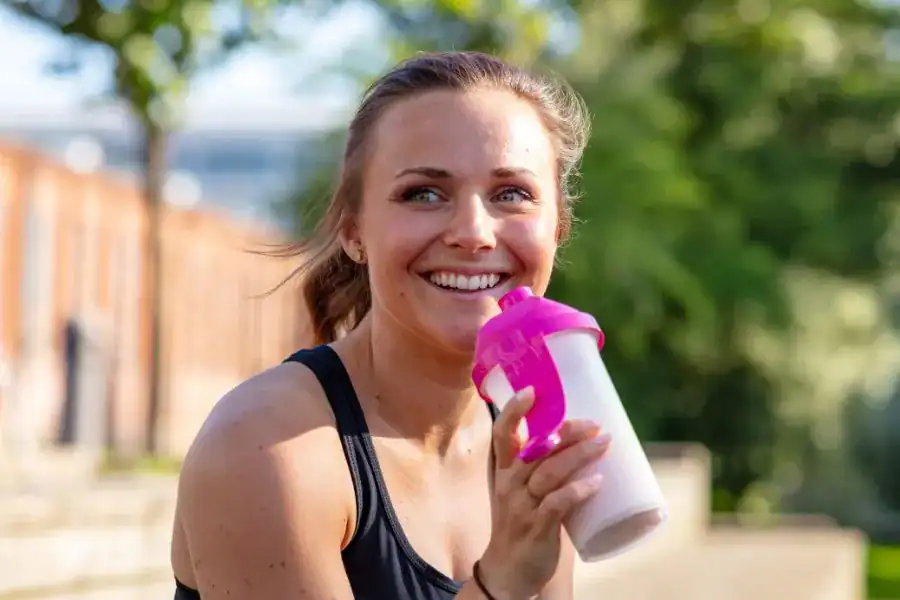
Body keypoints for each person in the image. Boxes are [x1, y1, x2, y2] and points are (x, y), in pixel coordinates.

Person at [170, 50, 612, 600]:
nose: (474, 232)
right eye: (424, 194)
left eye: (511, 195)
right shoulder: (265, 443)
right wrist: (502, 580)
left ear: (557, 229)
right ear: (354, 231)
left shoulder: (534, 425)